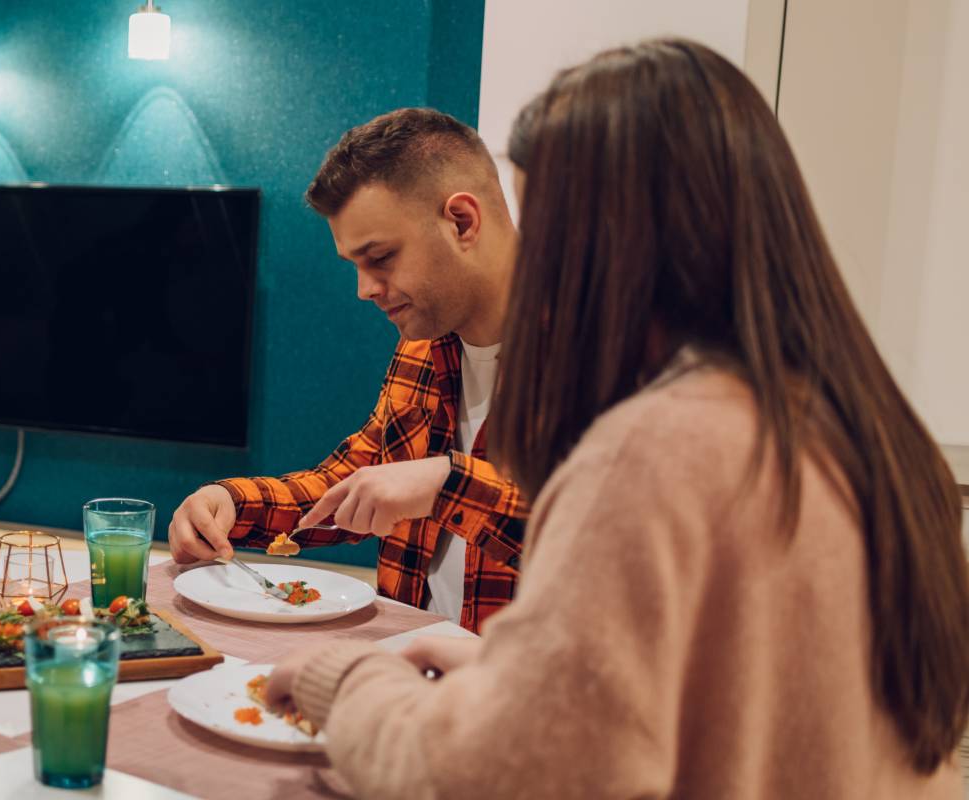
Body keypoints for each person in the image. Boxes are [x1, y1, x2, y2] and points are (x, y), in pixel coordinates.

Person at [265, 39, 969, 797]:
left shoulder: (651, 449)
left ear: (618, 241)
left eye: (549, 230)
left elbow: (495, 772)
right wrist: (522, 679)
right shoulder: (859, 424)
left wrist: (350, 683)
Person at [167, 108, 528, 632]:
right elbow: (358, 483)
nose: (365, 289)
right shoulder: (424, 342)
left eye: (379, 257)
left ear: (462, 222)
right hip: (413, 673)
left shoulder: (610, 345)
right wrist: (231, 503)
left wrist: (448, 483)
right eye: (355, 265)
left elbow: (605, 535)